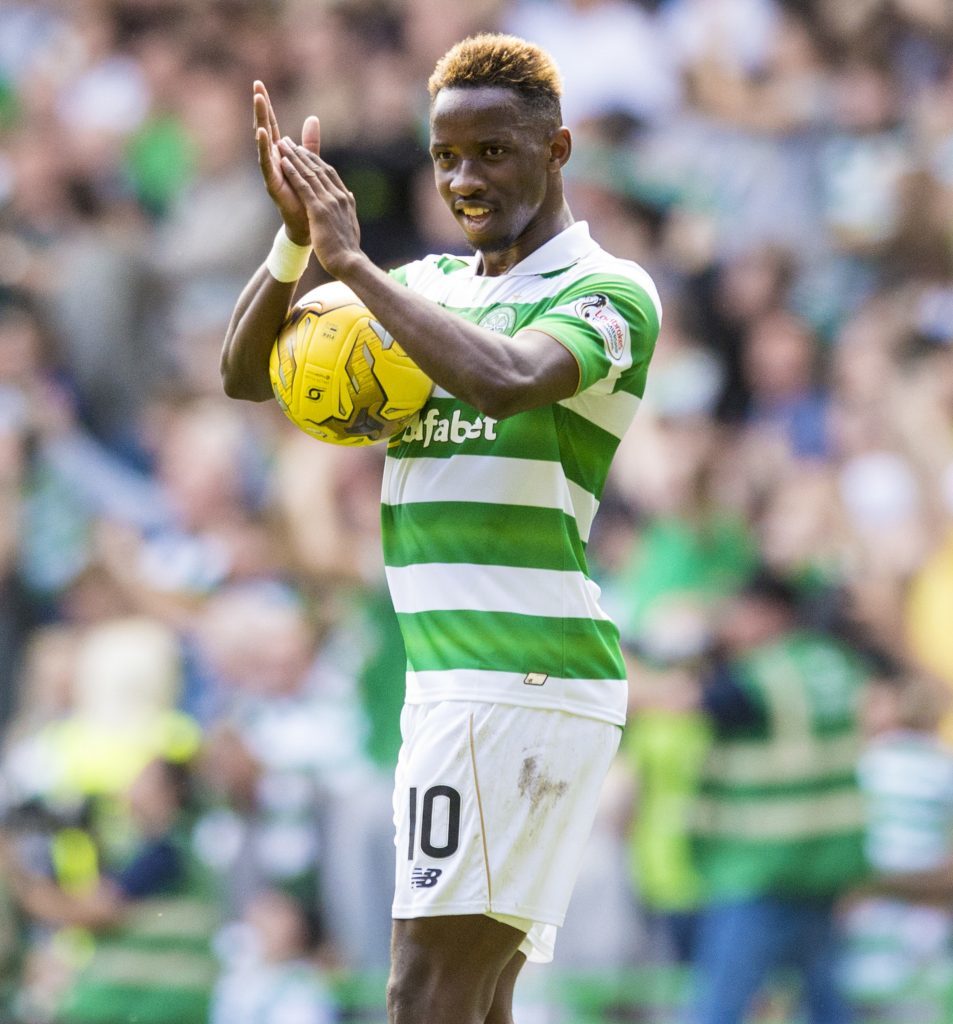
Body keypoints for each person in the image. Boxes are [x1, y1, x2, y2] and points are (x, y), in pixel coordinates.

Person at [221, 33, 661, 1024]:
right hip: (457, 683)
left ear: (556, 149)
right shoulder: (429, 288)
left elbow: (504, 380)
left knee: (420, 995)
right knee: (472, 998)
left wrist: (351, 263)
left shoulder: (604, 289)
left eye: (492, 152)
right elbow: (245, 376)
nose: (463, 178)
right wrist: (296, 242)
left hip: (517, 674)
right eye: (444, 156)